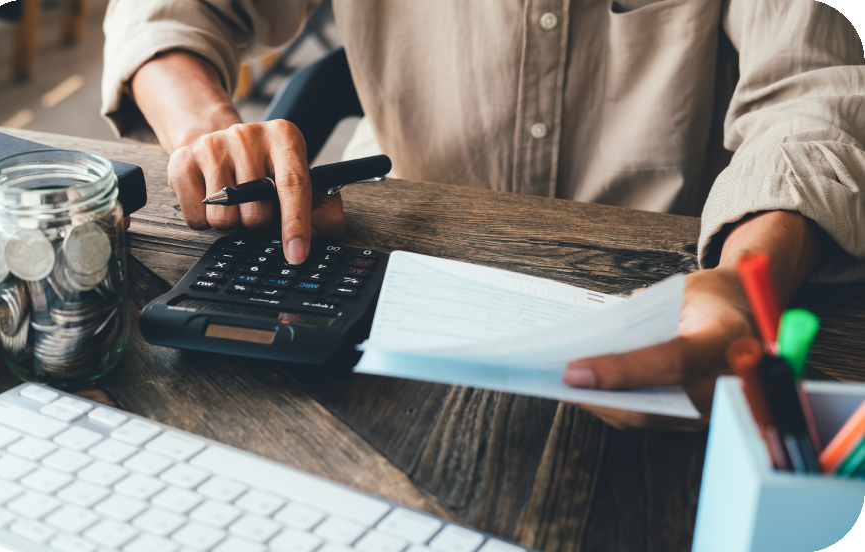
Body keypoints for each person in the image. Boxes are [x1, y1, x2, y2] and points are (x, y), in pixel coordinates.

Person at [101, 0, 865, 430]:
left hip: (667, 288)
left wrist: (745, 279)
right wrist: (208, 133)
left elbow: (816, 91)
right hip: (393, 261)